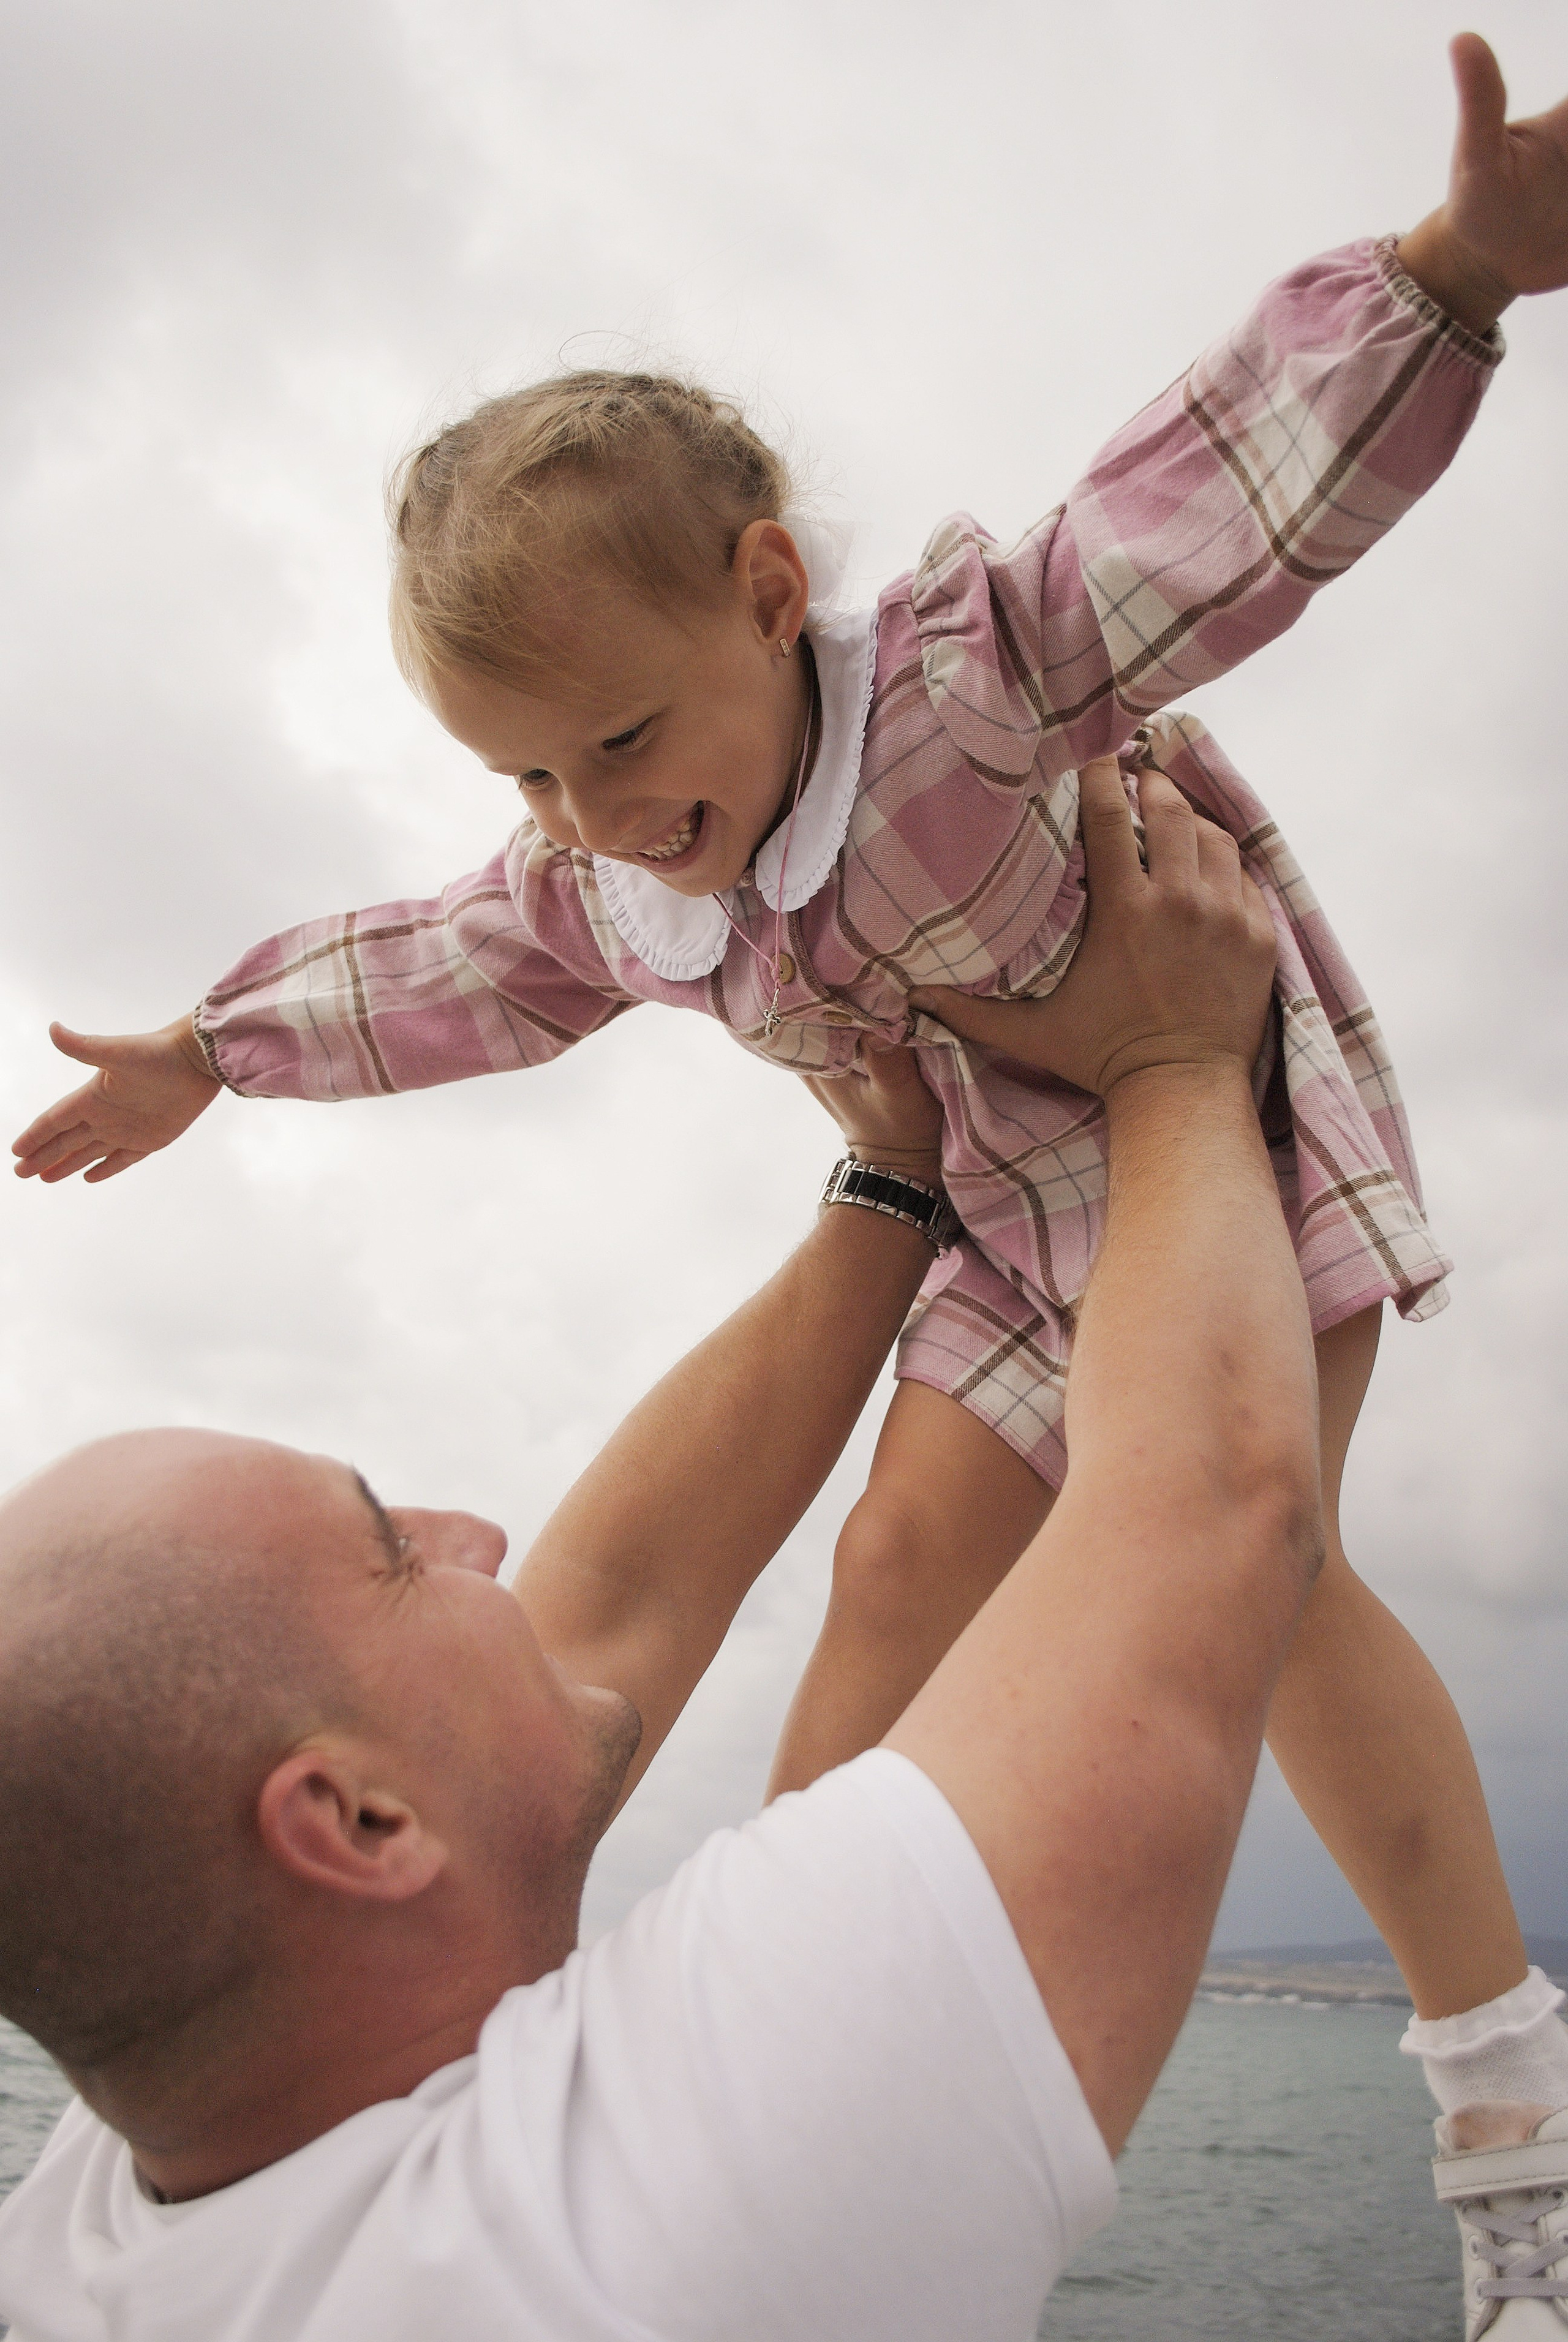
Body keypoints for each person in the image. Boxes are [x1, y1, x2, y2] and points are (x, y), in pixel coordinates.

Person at [10, 25, 1568, 2234]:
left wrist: (1448, 283)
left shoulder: (965, 681)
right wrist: (210, 1043)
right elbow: (440, 968)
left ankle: (1508, 2088)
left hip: (1212, 1116)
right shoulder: (612, 886)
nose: (599, 814)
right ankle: (729, 2006)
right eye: (533, 777)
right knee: (889, 1560)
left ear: (765, 596)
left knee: (1276, 1586)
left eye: (627, 738)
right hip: (1007, 1220)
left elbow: (1199, 525)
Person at [0, 767, 1316, 2338]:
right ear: (350, 1822)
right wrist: (1173, 1058)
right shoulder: (665, 2214)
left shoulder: (143, 2150)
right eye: (392, 1555)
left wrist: (892, 1187)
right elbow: (1205, 1515)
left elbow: (611, 1612)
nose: (478, 1532)